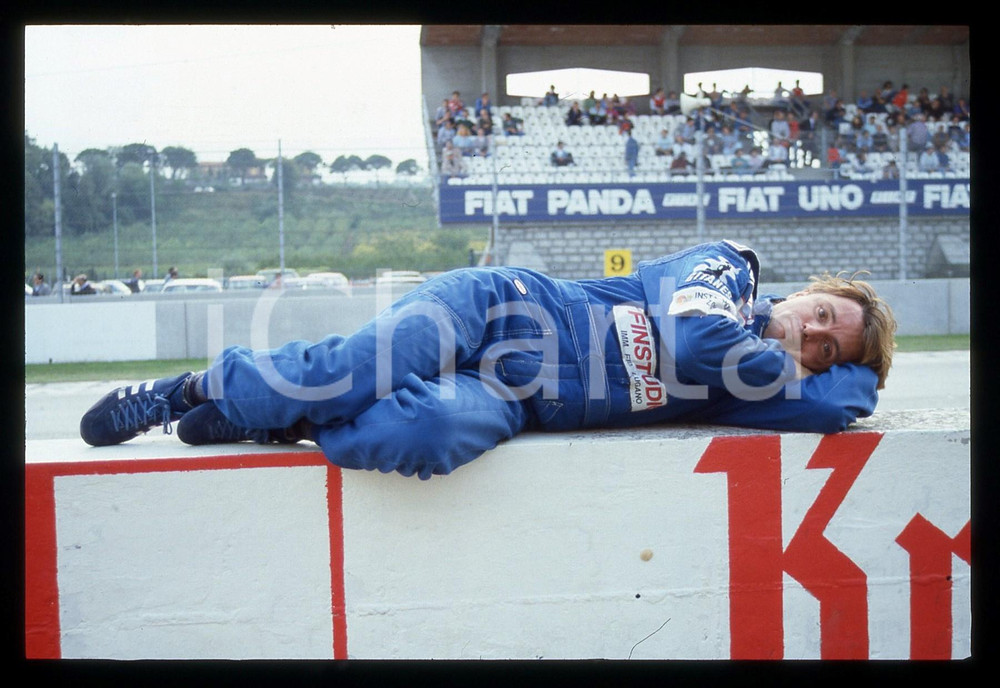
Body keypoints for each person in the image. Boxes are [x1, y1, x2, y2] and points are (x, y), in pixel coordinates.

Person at [79, 240, 897, 482]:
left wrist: (843, 373)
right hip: (498, 307)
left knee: (420, 434)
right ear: (808, 292)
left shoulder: (765, 389)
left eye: (828, 348)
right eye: (819, 316)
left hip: (511, 399)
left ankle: (273, 415)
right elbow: (691, 336)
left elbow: (835, 409)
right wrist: (783, 362)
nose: (809, 337)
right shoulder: (728, 270)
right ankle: (187, 389)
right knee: (357, 369)